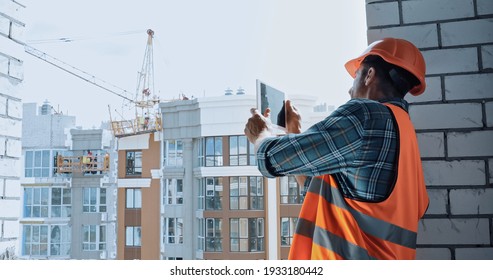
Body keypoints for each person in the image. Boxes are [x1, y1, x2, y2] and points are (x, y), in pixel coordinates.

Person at [244, 38, 429, 260]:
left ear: (369, 75)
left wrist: (261, 134)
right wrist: (294, 130)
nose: (350, 90)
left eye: (356, 76)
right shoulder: (405, 131)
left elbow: (271, 158)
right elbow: (317, 188)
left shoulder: (366, 114)